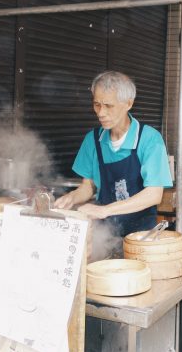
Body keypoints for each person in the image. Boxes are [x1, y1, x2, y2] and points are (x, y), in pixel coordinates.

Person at [53, 71, 172, 236]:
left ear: (128, 103)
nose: (101, 113)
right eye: (97, 104)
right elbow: (88, 186)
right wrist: (72, 198)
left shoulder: (149, 139)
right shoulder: (93, 140)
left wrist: (105, 210)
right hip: (104, 233)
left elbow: (154, 194)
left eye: (108, 106)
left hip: (140, 237)